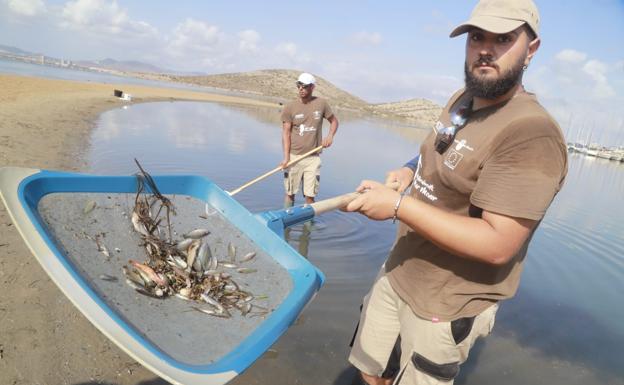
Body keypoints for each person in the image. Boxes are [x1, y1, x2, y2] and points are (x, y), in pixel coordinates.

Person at [345, 0, 568, 384]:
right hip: (399, 270)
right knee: (371, 372)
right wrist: (406, 172)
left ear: (531, 50)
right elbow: (431, 156)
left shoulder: (530, 132)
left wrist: (397, 206)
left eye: (503, 39)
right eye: (476, 37)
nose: (485, 48)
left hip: (445, 302)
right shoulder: (460, 99)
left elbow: (498, 244)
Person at [279, 72, 339, 206]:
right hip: (294, 157)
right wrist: (286, 158)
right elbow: (286, 133)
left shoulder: (321, 104)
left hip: (313, 158)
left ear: (312, 87)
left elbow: (334, 121)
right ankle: (286, 223)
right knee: (290, 193)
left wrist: (330, 136)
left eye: (305, 86)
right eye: (299, 85)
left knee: (310, 196)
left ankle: (308, 225)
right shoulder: (290, 107)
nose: (301, 88)